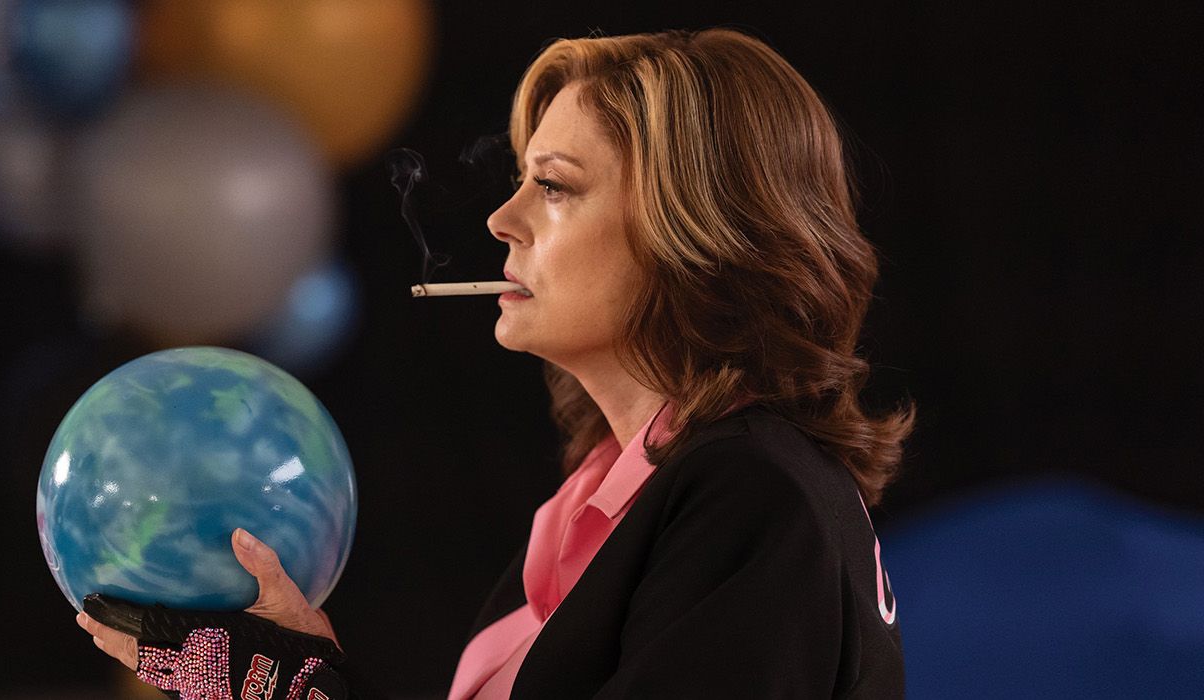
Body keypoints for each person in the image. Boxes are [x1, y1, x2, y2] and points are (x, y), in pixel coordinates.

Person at [78, 28, 915, 698]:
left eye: (553, 187)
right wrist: (300, 673)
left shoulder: (751, 495)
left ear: (692, 230)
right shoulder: (602, 502)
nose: (501, 219)